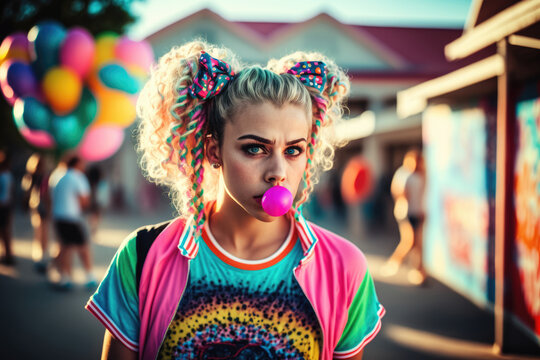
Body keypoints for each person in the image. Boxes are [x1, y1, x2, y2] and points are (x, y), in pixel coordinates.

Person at [86, 41, 384, 360]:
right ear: (215, 151)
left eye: (293, 150)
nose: (277, 172)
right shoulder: (143, 257)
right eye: (255, 148)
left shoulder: (344, 266)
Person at [381, 149, 427, 285]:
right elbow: (397, 191)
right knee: (409, 241)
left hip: (419, 212)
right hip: (405, 212)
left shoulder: (422, 174)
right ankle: (393, 263)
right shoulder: (403, 173)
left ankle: (419, 272)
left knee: (419, 244)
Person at [51, 155, 96, 290]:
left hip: (58, 216)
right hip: (71, 217)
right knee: (82, 247)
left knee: (65, 247)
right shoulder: (78, 177)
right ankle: (89, 276)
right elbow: (84, 200)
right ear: (76, 164)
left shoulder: (58, 177)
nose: (84, 166)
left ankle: (64, 277)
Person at [21, 153, 52, 273]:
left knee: (38, 232)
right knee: (44, 232)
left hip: (35, 206)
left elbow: (26, 192)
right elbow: (46, 194)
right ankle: (42, 256)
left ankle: (38, 256)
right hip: (42, 206)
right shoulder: (44, 177)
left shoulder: (30, 176)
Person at [0, 150, 14, 266]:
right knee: (5, 231)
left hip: (3, 206)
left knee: (4, 231)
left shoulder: (5, 175)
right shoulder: (7, 175)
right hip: (6, 205)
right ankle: (8, 254)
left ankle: (8, 254)